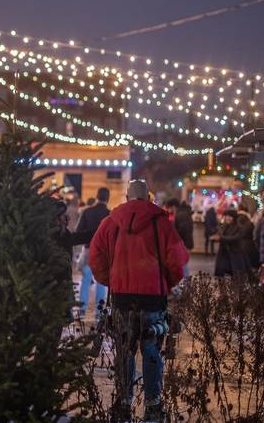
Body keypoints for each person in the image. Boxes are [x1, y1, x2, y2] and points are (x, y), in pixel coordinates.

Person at [89, 180, 189, 422]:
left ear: (126, 197)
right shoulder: (161, 222)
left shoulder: (110, 222)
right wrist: (166, 283)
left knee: (125, 349)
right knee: (152, 348)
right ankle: (153, 406)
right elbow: (177, 260)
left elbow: (95, 257)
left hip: (122, 297)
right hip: (153, 297)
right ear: (149, 198)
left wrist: (111, 280)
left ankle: (123, 403)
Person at [75, 188, 111, 321]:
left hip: (88, 251)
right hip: (103, 253)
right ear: (107, 198)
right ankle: (99, 313)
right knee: (101, 283)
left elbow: (78, 231)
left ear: (96, 196)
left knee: (85, 281)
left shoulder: (87, 212)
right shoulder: (109, 214)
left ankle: (82, 311)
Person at [211, 210, 251, 277]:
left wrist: (220, 238)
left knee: (236, 276)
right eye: (226, 216)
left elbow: (235, 238)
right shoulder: (224, 226)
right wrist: (215, 237)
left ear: (234, 218)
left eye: (230, 216)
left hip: (235, 255)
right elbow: (220, 235)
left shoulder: (239, 227)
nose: (227, 218)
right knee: (221, 276)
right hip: (224, 254)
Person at [164, 198, 194, 277]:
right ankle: (186, 283)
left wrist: (174, 237)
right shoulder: (183, 213)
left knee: (183, 265)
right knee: (184, 264)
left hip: (184, 243)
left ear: (173, 207)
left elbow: (182, 230)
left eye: (169, 207)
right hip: (186, 243)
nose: (168, 210)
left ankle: (186, 284)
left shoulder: (181, 214)